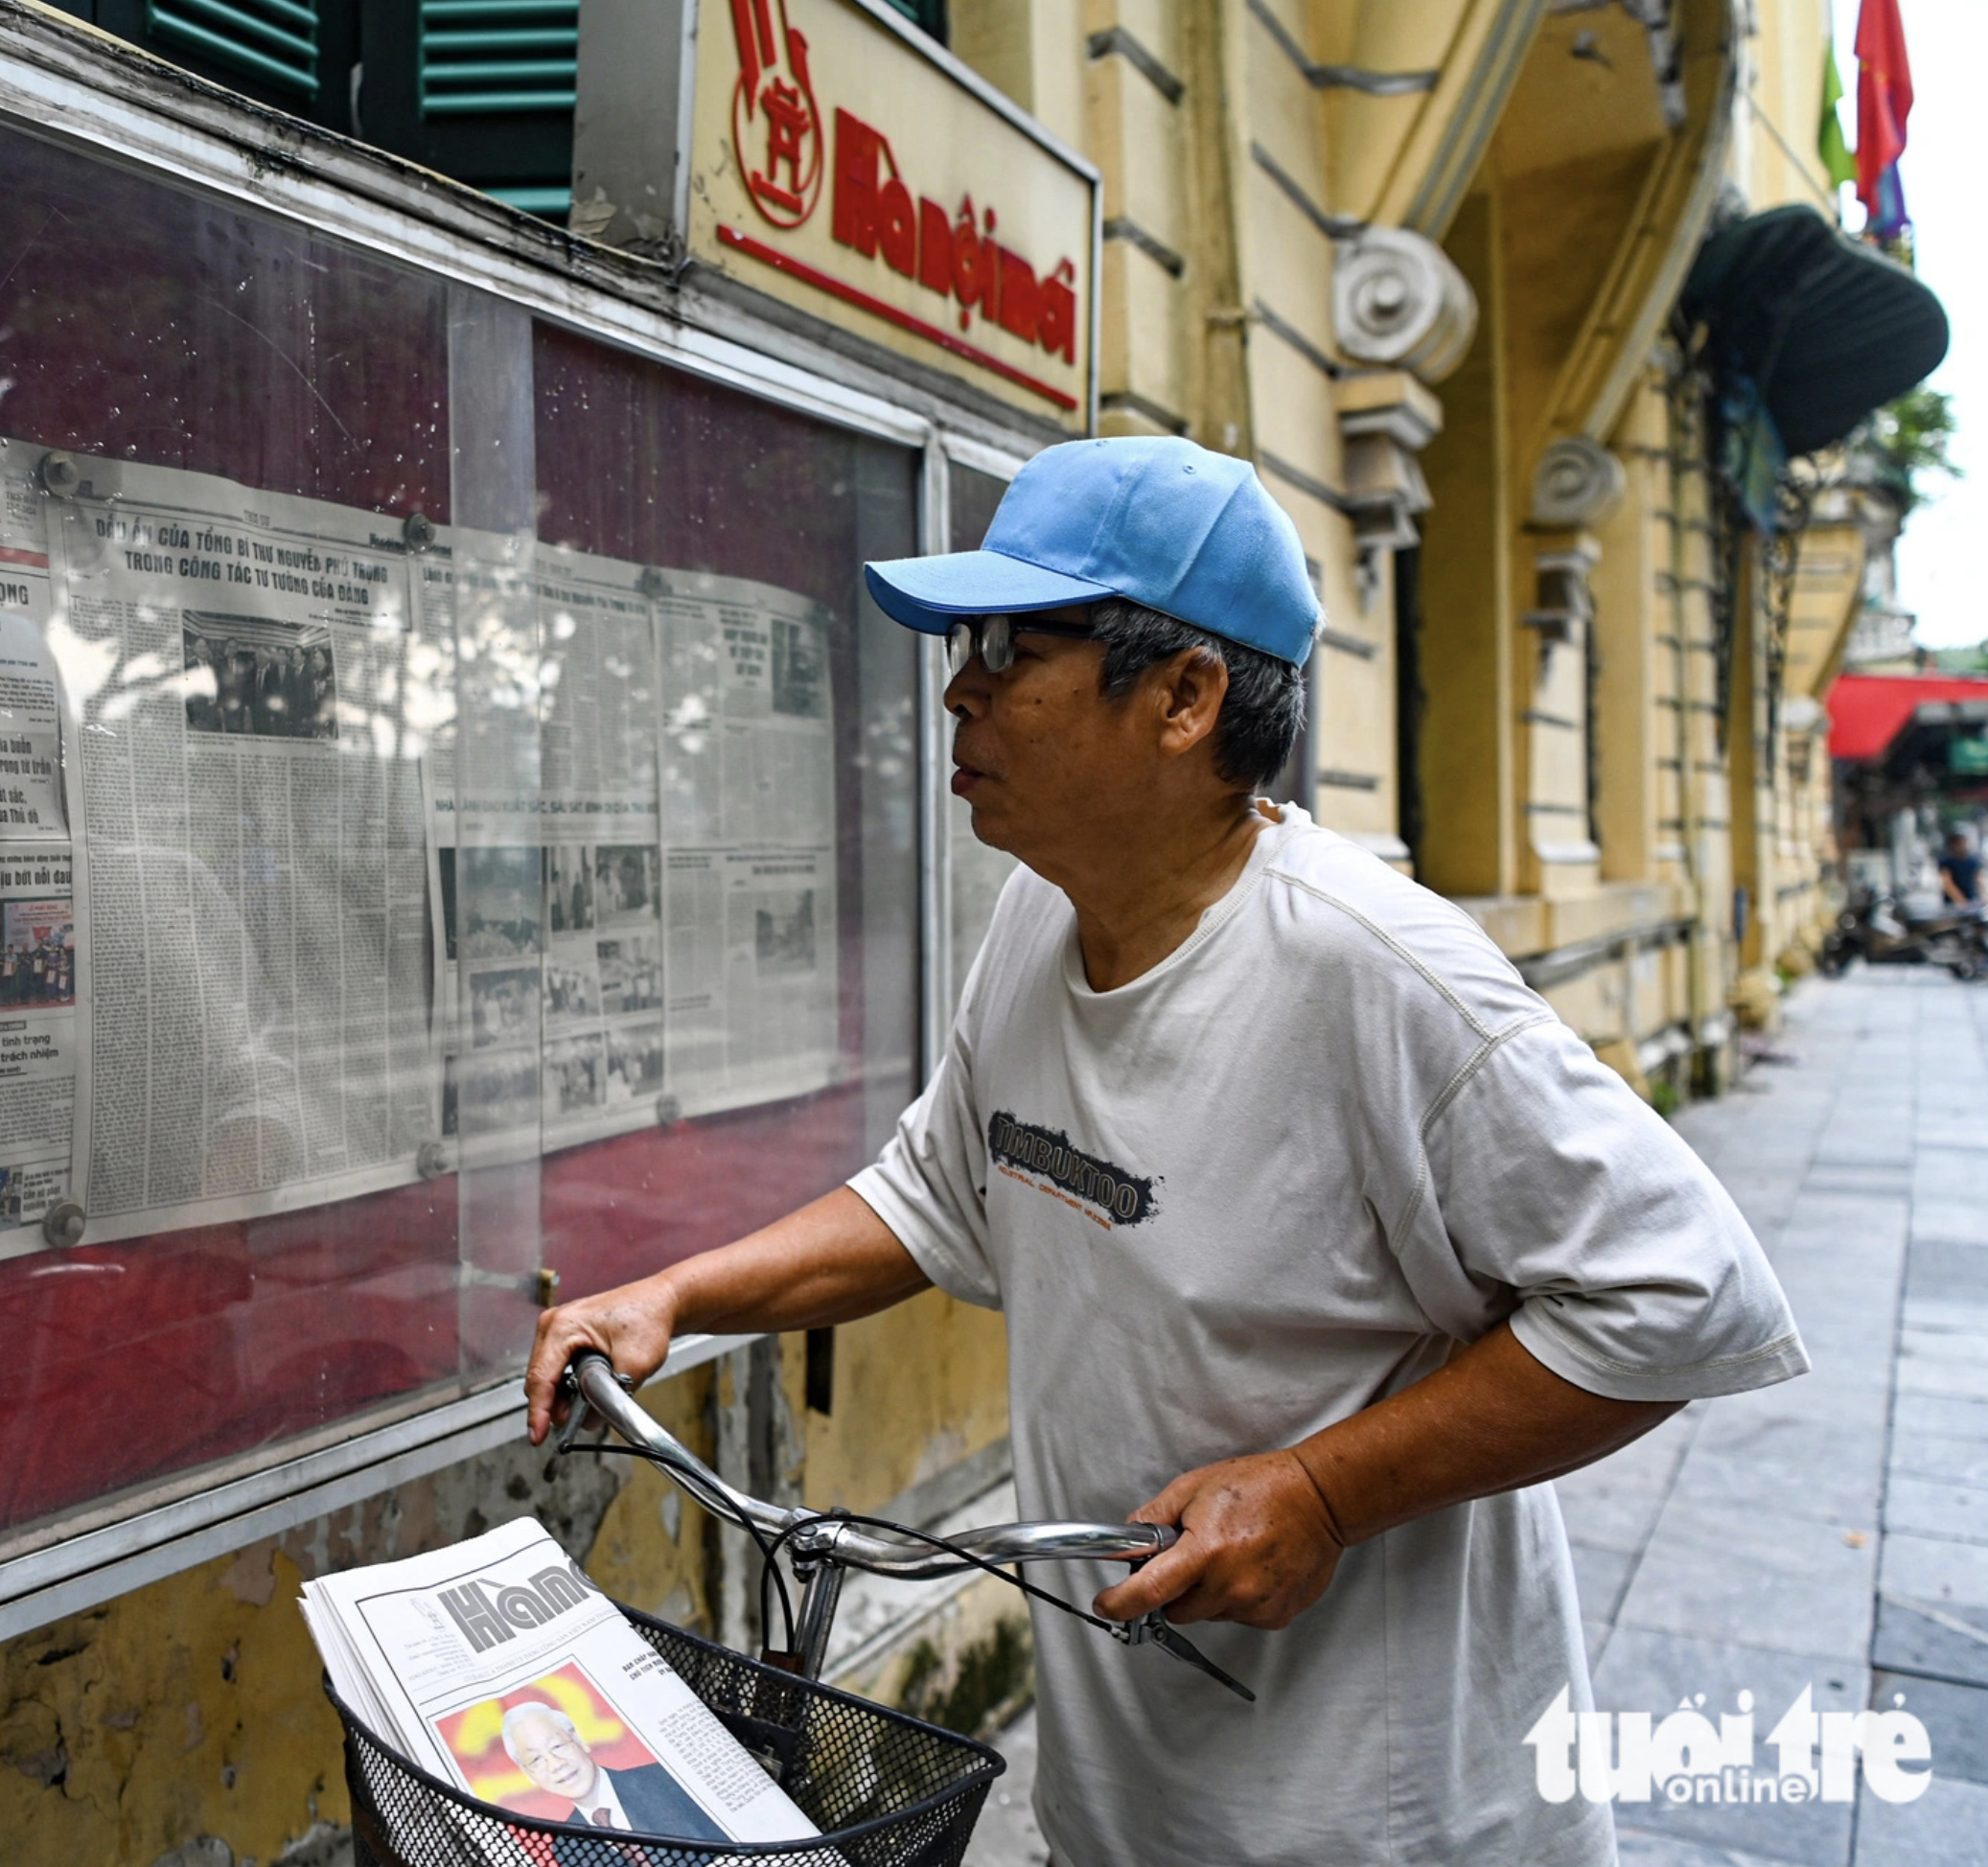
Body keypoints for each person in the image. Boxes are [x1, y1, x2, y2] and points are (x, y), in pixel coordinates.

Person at [522, 437, 1805, 1867]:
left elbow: (1686, 1295)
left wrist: (1322, 1492)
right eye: (965, 645)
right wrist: (677, 1301)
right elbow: (938, 1192)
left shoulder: (1372, 973)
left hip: (1384, 1820)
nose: (961, 687)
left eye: (1011, 647)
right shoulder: (1035, 921)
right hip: (1123, 1797)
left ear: (1185, 697)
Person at [497, 1702, 725, 1843]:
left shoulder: (663, 1779)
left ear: (579, 1740)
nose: (555, 1764)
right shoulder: (567, 1846)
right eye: (536, 1760)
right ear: (528, 1775)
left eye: (558, 1746)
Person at [1943, 829, 1980, 909]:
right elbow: (1947, 884)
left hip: (1971, 901)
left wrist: (1981, 897)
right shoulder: (1947, 861)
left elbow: (1978, 880)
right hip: (1952, 904)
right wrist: (1961, 901)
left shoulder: (1972, 861)